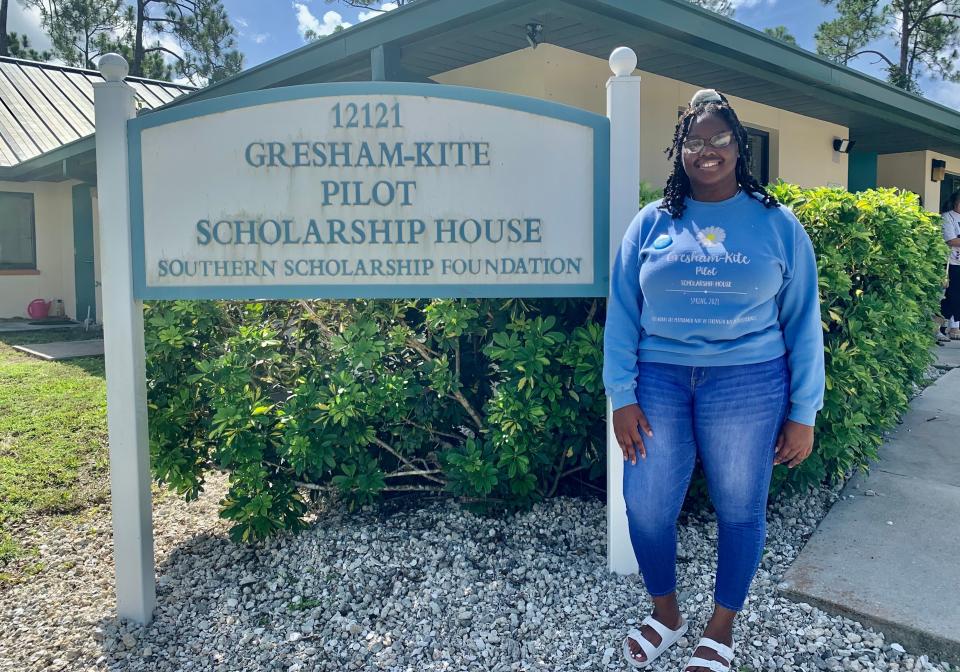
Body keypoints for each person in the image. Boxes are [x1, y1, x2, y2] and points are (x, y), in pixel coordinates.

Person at [603, 89, 825, 672]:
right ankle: (667, 616)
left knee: (739, 507)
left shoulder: (777, 225)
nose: (707, 150)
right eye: (695, 140)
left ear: (738, 146)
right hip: (659, 380)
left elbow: (802, 321)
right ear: (680, 149)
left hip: (748, 382)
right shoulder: (651, 222)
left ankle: (721, 628)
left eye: (720, 139)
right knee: (646, 507)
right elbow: (622, 311)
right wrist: (621, 394)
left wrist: (804, 411)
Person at [940, 190, 960, 339]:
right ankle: (942, 327)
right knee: (950, 296)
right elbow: (951, 240)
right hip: (951, 263)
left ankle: (954, 327)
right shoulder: (947, 217)